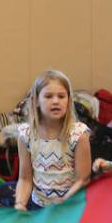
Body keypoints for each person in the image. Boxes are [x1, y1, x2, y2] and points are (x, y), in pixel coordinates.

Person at [14, 70, 91, 211]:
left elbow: (83, 179)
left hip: (70, 207)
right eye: (48, 96)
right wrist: (20, 204)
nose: (56, 101)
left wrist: (64, 201)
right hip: (38, 207)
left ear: (68, 101)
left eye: (61, 96)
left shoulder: (78, 134)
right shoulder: (26, 134)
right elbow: (25, 178)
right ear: (36, 100)